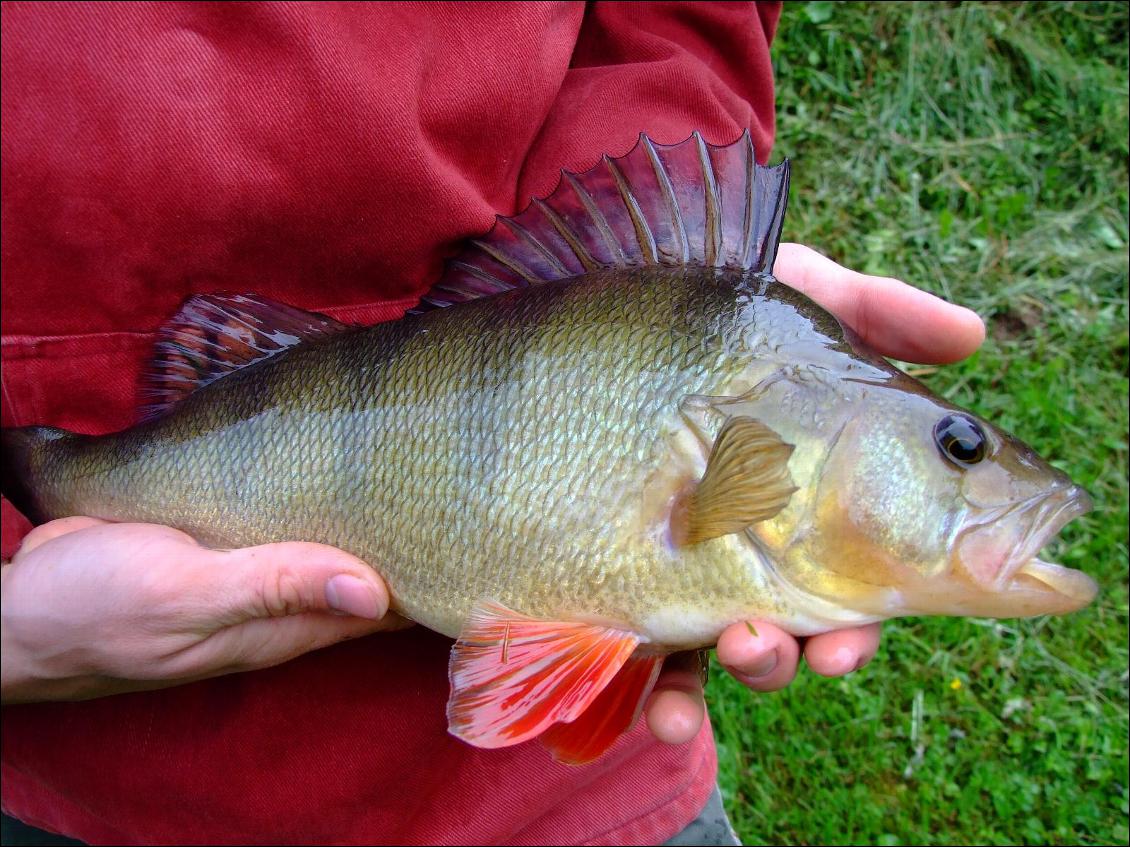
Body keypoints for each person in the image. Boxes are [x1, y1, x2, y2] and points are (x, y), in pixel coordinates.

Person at [0, 3, 985, 845]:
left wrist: (651, 258)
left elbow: (672, 28)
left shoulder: (757, 407)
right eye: (958, 449)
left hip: (545, 802)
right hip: (57, 781)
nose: (975, 475)